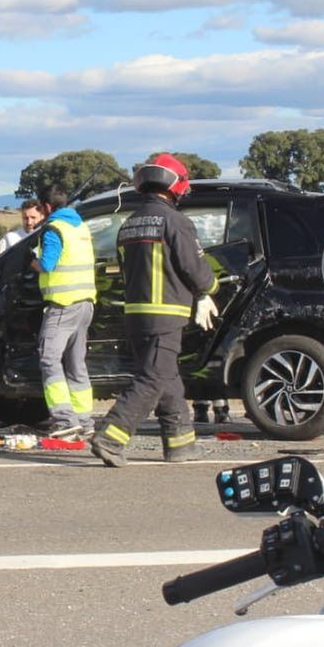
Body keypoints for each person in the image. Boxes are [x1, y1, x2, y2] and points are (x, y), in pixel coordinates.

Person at [91, 154, 222, 467]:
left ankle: (180, 443)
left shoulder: (129, 224)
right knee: (153, 377)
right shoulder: (176, 222)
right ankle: (111, 436)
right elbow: (194, 268)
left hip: (136, 314)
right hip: (166, 312)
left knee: (167, 376)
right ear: (174, 186)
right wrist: (211, 289)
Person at [31, 189, 97, 439]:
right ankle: (84, 420)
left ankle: (64, 419)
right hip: (85, 303)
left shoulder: (54, 229)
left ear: (47, 207)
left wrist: (32, 262)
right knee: (76, 363)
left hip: (62, 304)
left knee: (49, 359)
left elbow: (47, 264)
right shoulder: (81, 227)